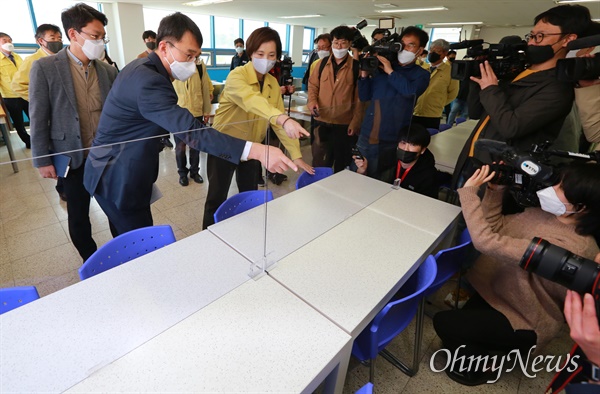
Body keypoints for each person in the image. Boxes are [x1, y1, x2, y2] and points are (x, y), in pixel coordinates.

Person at [83, 13, 299, 236]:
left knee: (130, 235)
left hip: (119, 168)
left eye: (196, 57)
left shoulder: (146, 68)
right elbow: (191, 131)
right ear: (165, 47)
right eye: (188, 55)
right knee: (138, 246)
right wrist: (256, 149)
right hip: (115, 175)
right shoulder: (149, 80)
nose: (193, 64)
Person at [433, 162, 600, 386]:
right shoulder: (541, 214)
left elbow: (484, 241)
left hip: (527, 318)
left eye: (560, 187)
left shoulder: (570, 249)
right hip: (502, 292)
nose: (552, 188)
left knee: (445, 323)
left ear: (580, 207)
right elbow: (494, 226)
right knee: (462, 326)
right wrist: (495, 190)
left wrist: (469, 192)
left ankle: (488, 365)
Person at [453, 4, 593, 190]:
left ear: (568, 39)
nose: (532, 42)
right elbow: (476, 111)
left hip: (500, 173)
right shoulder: (519, 72)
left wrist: (490, 89)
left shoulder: (557, 88)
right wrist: (476, 80)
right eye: (532, 35)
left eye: (540, 36)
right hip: (474, 158)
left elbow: (511, 127)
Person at [29, 3, 118, 261]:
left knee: (116, 211)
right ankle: (92, 263)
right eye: (94, 36)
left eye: (103, 37)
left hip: (105, 157)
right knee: (79, 217)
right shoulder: (46, 68)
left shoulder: (108, 71)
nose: (100, 41)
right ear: (73, 34)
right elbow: (38, 117)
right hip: (72, 158)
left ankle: (123, 255)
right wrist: (42, 160)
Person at [202, 26, 313, 229]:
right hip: (224, 145)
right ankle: (208, 237)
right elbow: (253, 101)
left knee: (249, 196)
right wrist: (282, 119)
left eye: (271, 55)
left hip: (254, 148)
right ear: (251, 52)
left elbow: (278, 121)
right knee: (216, 198)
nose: (265, 59)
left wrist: (296, 154)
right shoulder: (237, 76)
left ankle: (248, 233)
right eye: (260, 54)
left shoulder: (271, 82)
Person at [355, 26, 430, 179]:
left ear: (420, 50)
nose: (405, 48)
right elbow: (364, 96)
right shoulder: (381, 68)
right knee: (358, 177)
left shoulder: (421, 75)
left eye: (411, 45)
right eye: (403, 43)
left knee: (383, 181)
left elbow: (410, 92)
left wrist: (390, 71)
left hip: (395, 138)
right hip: (369, 133)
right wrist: (364, 75)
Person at [307, 25, 363, 173]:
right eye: (336, 42)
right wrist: (312, 101)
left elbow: (360, 99)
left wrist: (355, 121)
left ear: (349, 44)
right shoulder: (321, 64)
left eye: (343, 42)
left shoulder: (357, 67)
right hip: (321, 121)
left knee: (342, 162)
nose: (339, 46)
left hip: (343, 125)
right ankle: (318, 190)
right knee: (319, 160)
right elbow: (313, 86)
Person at [354, 123, 438, 198]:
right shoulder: (387, 159)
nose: (406, 148)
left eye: (412, 145)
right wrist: (362, 171)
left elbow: (426, 205)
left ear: (423, 150)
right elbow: (368, 186)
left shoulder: (429, 175)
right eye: (403, 143)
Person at [172, 57, 211, 186]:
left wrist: (206, 111)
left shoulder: (199, 66)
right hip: (178, 113)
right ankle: (182, 173)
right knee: (180, 146)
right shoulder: (173, 65)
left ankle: (194, 171)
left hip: (197, 112)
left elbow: (205, 89)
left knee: (196, 145)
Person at [412, 39, 459, 130]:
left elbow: (453, 93)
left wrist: (438, 102)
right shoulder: (423, 68)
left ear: (445, 53)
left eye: (437, 51)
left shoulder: (450, 72)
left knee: (429, 140)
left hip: (432, 115)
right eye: (431, 50)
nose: (432, 53)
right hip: (415, 111)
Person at [11, 24, 63, 101]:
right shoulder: (33, 60)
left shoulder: (63, 57)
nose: (57, 41)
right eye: (52, 38)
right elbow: (17, 85)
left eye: (59, 39)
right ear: (41, 41)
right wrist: (40, 99)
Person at [0, 32, 30, 148]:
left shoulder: (17, 56)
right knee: (19, 123)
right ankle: (28, 142)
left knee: (35, 118)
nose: (8, 43)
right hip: (11, 97)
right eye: (4, 41)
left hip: (25, 93)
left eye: (10, 40)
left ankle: (39, 140)